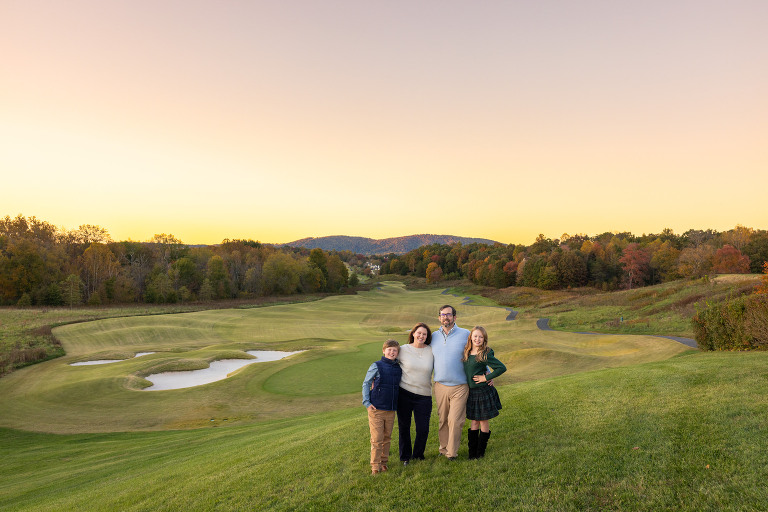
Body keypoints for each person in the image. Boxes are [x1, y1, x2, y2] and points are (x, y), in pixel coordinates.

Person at [431, 304, 471, 460]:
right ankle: (443, 449)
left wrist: (487, 372)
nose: (445, 317)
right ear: (439, 317)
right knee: (443, 420)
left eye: (448, 314)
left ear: (455, 317)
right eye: (442, 314)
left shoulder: (466, 334)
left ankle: (452, 453)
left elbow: (477, 352)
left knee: (455, 420)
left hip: (460, 386)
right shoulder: (433, 336)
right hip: (440, 385)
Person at [462, 326, 506, 459]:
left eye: (481, 337)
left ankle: (480, 452)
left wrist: (486, 377)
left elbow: (501, 368)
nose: (478, 339)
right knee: (474, 421)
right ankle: (472, 453)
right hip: (472, 392)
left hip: (482, 391)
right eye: (475, 336)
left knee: (483, 421)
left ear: (484, 339)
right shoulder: (467, 352)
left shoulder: (485, 354)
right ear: (471, 337)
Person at [396, 322, 434, 465]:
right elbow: (389, 362)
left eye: (424, 334)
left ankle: (418, 455)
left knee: (423, 428)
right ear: (413, 333)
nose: (421, 336)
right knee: (404, 427)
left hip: (424, 396)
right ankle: (405, 457)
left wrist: (485, 371)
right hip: (404, 393)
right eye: (419, 333)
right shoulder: (403, 349)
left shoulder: (431, 350)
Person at [362, 339, 402, 475]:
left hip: (390, 409)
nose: (392, 352)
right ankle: (375, 466)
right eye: (389, 349)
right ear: (384, 351)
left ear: (397, 353)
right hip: (376, 409)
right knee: (377, 438)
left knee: (387, 437)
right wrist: (367, 403)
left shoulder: (398, 368)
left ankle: (384, 462)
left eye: (394, 350)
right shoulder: (376, 366)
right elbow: (366, 383)